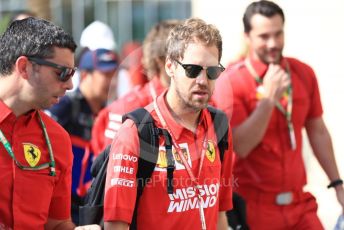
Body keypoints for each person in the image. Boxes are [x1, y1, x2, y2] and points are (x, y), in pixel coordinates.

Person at [212, 1, 344, 229]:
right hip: (255, 207)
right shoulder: (231, 81)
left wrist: (337, 184)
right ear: (247, 37)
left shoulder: (302, 72)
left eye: (278, 34)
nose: (273, 43)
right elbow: (240, 145)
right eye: (264, 36)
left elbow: (318, 131)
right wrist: (269, 99)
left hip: (299, 204)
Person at [103, 18, 233, 230]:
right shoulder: (135, 132)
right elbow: (116, 226)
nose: (202, 80)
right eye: (192, 70)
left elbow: (220, 216)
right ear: (170, 67)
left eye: (212, 72)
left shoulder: (219, 125)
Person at [0, 17, 99, 229]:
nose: (71, 84)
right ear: (24, 67)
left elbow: (57, 224)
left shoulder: (57, 138)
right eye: (62, 73)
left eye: (73, 73)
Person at [46, 48, 118, 224]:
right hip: (64, 208)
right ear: (85, 75)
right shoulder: (64, 106)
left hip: (94, 204)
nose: (113, 82)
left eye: (114, 75)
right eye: (106, 74)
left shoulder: (111, 112)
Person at [91, 19, 180, 155]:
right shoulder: (129, 106)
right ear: (161, 61)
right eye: (181, 59)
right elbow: (108, 168)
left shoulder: (202, 104)